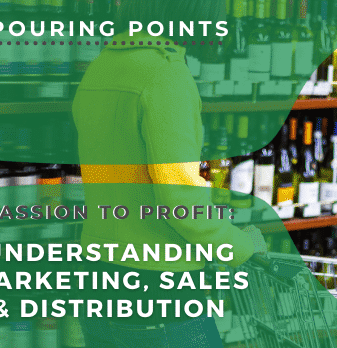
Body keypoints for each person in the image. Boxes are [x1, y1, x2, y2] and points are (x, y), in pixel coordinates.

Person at [71, 1, 266, 347]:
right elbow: (180, 198)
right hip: (158, 285)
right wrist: (239, 245)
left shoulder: (102, 65)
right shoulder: (165, 75)